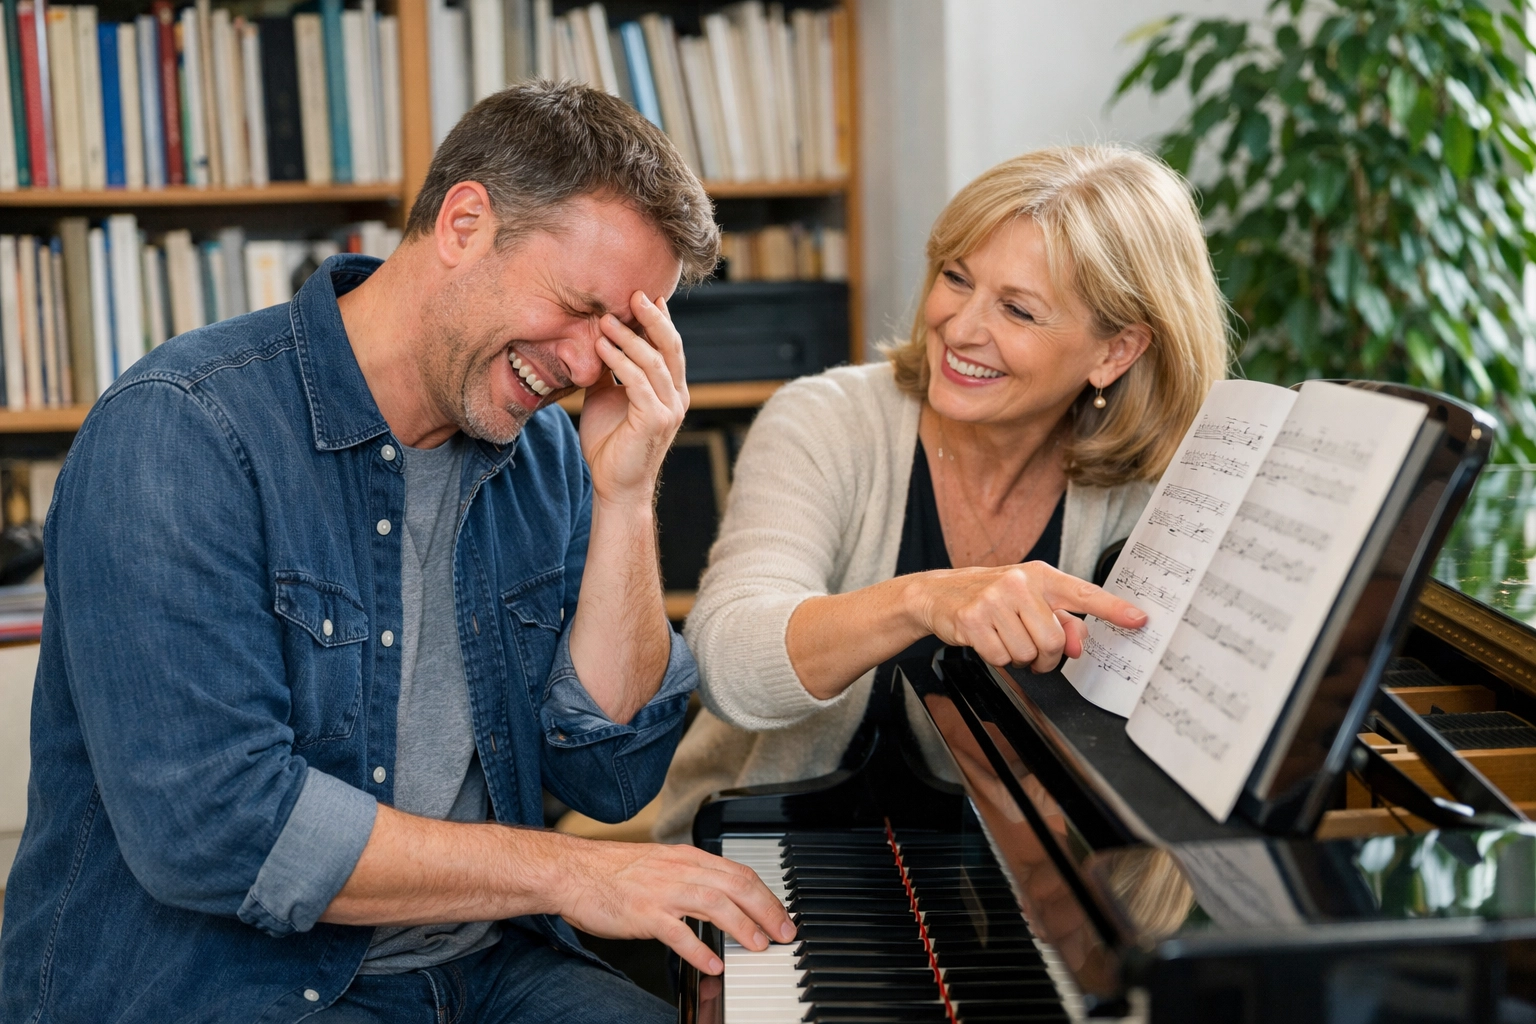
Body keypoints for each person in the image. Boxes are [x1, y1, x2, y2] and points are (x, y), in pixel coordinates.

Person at [0, 83, 794, 1024]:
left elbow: (609, 777)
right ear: (463, 223)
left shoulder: (546, 452)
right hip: (228, 987)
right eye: (578, 307)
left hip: (483, 965)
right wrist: (570, 872)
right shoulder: (182, 429)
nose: (587, 367)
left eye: (620, 332)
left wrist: (625, 496)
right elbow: (216, 829)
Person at [655, 145, 1230, 843]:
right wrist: (921, 600)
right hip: (772, 847)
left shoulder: (1158, 495)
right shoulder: (825, 420)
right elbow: (727, 666)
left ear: (1116, 352)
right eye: (957, 279)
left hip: (1007, 883)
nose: (959, 329)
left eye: (1017, 310)